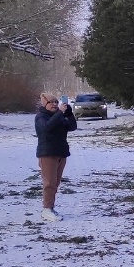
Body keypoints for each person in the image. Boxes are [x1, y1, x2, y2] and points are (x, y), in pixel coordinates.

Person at [35, 92, 77, 222]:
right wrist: (59, 113)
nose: (54, 104)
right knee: (49, 183)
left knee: (56, 183)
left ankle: (50, 208)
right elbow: (46, 129)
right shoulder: (40, 117)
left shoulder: (58, 116)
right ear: (44, 104)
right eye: (51, 102)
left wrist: (69, 113)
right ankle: (46, 209)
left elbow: (72, 127)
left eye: (55, 102)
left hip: (61, 153)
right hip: (47, 153)